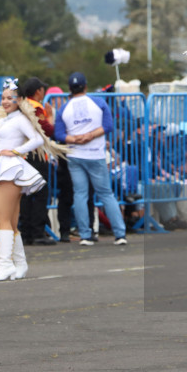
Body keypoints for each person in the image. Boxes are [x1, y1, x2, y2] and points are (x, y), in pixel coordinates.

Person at [0, 78, 67, 280]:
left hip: (11, 170)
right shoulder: (4, 120)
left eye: (10, 98)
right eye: (3, 98)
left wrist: (15, 151)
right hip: (6, 169)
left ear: (19, 100)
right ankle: (20, 264)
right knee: (10, 221)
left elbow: (37, 139)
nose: (5, 101)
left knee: (0, 219)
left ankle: (6, 265)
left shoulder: (20, 119)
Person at [53, 72, 127, 246]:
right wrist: (90, 135)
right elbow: (108, 126)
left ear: (69, 89)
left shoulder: (64, 108)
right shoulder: (99, 102)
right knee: (106, 194)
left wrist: (75, 139)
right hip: (95, 154)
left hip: (75, 155)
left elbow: (58, 134)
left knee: (80, 194)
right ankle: (120, 233)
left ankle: (85, 235)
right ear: (85, 87)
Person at [18, 77, 57, 245]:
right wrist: (50, 116)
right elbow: (47, 131)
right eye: (42, 89)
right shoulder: (36, 108)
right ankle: (38, 233)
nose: (44, 92)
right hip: (37, 155)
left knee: (26, 195)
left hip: (24, 154)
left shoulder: (22, 106)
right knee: (40, 194)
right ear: (37, 92)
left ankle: (26, 232)